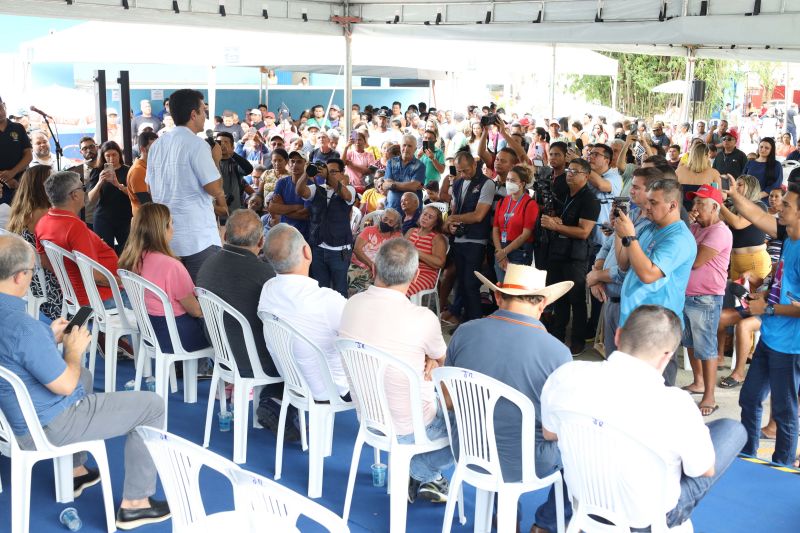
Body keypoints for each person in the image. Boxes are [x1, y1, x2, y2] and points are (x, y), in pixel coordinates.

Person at [0, 234, 171, 530]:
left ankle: (76, 469)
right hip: (44, 425)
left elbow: (17, 351)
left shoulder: (20, 325)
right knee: (152, 405)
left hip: (11, 418)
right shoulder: (23, 328)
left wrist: (47, 337)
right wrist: (73, 350)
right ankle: (136, 504)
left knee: (87, 376)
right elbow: (66, 385)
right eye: (31, 273)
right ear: (19, 277)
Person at [541, 305, 747, 531]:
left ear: (618, 335)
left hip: (585, 499)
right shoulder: (675, 404)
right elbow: (703, 470)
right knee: (731, 430)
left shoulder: (567, 375)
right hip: (647, 518)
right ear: (668, 355)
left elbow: (550, 433)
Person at [447, 264, 574, 533]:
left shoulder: (464, 332)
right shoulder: (558, 353)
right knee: (581, 449)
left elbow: (449, 401)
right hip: (528, 462)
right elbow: (556, 429)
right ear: (543, 304)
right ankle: (547, 524)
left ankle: (503, 518)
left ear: (498, 297)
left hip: (469, 449)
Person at [338, 238, 451, 503]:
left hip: (369, 415)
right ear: (414, 276)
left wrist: (430, 359)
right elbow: (444, 362)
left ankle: (426, 476)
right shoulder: (423, 318)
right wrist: (433, 360)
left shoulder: (351, 304)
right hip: (413, 425)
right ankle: (421, 471)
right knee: (470, 423)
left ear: (374, 268)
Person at [195, 209, 296, 440]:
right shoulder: (265, 274)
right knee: (295, 351)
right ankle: (278, 403)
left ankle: (273, 400)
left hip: (220, 352)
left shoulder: (207, 265)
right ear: (261, 242)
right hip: (251, 359)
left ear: (224, 236)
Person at [726, 182, 800, 466]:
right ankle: (748, 454)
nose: (778, 208)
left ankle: (781, 466)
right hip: (771, 337)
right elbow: (757, 217)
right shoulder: (789, 235)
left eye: (787, 206)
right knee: (749, 398)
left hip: (790, 347)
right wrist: (734, 196)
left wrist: (767, 307)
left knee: (784, 412)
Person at [615, 178, 697, 386]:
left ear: (672, 205)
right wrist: (621, 234)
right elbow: (624, 264)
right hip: (633, 320)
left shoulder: (679, 239)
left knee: (654, 392)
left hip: (657, 328)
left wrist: (631, 239)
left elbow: (648, 275)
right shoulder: (649, 227)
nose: (647, 207)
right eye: (647, 201)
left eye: (653, 203)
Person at [258, 223, 350, 401]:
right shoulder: (328, 300)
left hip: (290, 379)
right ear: (307, 251)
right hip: (331, 388)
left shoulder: (268, 289)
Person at [145, 89, 226, 282]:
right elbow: (215, 188)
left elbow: (149, 189)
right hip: (197, 239)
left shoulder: (157, 144)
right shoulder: (197, 145)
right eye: (203, 111)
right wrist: (216, 161)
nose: (205, 116)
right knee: (203, 299)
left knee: (175, 299)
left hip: (166, 237)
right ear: (193, 114)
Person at [587, 167, 663, 356]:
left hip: (631, 306)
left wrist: (596, 276)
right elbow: (608, 246)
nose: (631, 190)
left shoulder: (654, 228)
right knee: (613, 361)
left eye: (636, 187)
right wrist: (597, 273)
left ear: (652, 191)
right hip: (611, 301)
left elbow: (628, 270)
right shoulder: (631, 215)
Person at [118, 203, 210, 353]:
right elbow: (196, 311)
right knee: (222, 328)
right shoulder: (172, 266)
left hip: (149, 331)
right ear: (162, 229)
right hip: (177, 336)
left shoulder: (130, 260)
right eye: (171, 223)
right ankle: (203, 369)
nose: (173, 229)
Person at [681, 185, 732, 416]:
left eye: (701, 203)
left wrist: (687, 235)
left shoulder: (720, 231)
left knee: (706, 346)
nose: (696, 208)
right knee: (690, 342)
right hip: (688, 294)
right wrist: (688, 227)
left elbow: (694, 261)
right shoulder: (693, 227)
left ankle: (709, 395)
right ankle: (698, 381)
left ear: (715, 207)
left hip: (707, 297)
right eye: (695, 203)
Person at [540, 158, 599, 354]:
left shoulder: (590, 199)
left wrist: (556, 226)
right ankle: (557, 336)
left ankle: (578, 339)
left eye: (575, 171)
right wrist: (557, 220)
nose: (570, 174)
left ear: (587, 176)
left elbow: (584, 231)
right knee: (559, 296)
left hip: (576, 255)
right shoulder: (564, 192)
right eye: (569, 170)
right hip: (558, 250)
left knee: (576, 299)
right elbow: (563, 218)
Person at [35, 171, 120, 308]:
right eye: (83, 188)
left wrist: (68, 273)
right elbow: (94, 275)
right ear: (74, 195)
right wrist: (122, 283)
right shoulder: (74, 227)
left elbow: (45, 261)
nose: (85, 192)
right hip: (101, 298)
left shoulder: (43, 222)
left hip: (75, 297)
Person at [440, 150, 495, 322]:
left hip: (476, 241)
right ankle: (464, 319)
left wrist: (453, 218)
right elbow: (455, 209)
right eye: (459, 171)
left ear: (474, 165)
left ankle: (474, 322)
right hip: (458, 239)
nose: (463, 174)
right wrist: (450, 225)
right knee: (461, 283)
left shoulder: (487, 183)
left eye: (466, 170)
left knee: (471, 284)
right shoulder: (457, 183)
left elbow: (478, 215)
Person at [6, 165, 63, 321]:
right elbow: (51, 260)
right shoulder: (44, 213)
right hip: (50, 290)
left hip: (29, 282)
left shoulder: (22, 210)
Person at [719, 175, 771, 281]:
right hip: (735, 261)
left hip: (755, 261)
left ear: (751, 187)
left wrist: (719, 204)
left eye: (739, 184)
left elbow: (738, 223)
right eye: (734, 184)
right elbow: (718, 221)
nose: (735, 187)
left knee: (753, 296)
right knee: (734, 297)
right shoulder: (733, 206)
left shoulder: (759, 205)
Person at [491, 165, 538, 282]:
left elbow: (525, 235)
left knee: (514, 292)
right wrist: (499, 252)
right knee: (501, 290)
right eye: (507, 180)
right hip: (501, 249)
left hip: (519, 252)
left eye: (512, 180)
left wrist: (504, 252)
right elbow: (496, 228)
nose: (508, 183)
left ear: (522, 183)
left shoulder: (530, 204)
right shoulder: (502, 202)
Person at [87, 141, 132, 254]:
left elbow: (133, 195)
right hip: (103, 217)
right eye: (108, 155)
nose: (111, 158)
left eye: (114, 154)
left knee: (127, 251)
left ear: (119, 154)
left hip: (125, 217)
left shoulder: (128, 170)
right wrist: (100, 182)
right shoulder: (97, 171)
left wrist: (118, 185)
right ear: (103, 156)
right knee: (104, 251)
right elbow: (91, 199)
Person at [348, 207, 402, 294]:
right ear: (381, 218)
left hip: (381, 270)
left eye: (391, 222)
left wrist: (380, 268)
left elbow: (397, 256)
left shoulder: (397, 237)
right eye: (385, 219)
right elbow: (357, 250)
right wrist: (371, 265)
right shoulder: (369, 230)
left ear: (395, 225)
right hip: (360, 265)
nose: (387, 223)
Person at [405, 204, 447, 297]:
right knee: (384, 286)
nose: (425, 218)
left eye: (430, 217)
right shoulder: (411, 231)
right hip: (404, 271)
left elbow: (440, 263)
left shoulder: (437, 238)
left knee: (400, 290)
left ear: (435, 223)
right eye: (424, 214)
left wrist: (416, 252)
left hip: (425, 275)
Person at [269, 150, 310, 239]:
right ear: (289, 163)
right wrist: (296, 207)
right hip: (285, 232)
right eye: (292, 161)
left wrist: (282, 209)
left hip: (304, 235)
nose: (295, 164)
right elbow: (272, 208)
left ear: (306, 164)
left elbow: (305, 215)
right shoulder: (281, 182)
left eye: (299, 162)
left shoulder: (311, 185)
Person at [0, 95, 32, 210]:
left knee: (24, 219)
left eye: (0, 108)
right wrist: (7, 179)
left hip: (21, 183)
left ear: (4, 106)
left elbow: (28, 155)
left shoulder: (18, 128)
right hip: (1, 189)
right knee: (4, 224)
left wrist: (13, 173)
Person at [382, 134, 426, 214]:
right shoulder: (391, 162)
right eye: (404, 145)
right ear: (400, 146)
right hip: (392, 208)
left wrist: (393, 185)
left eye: (409, 146)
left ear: (415, 149)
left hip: (410, 213)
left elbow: (413, 186)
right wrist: (408, 185)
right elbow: (385, 185)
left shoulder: (420, 166)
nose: (406, 149)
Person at [215, 131, 255, 214]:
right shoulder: (211, 163)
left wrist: (232, 154)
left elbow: (248, 169)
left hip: (234, 210)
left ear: (232, 146)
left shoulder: (235, 163)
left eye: (226, 142)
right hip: (216, 211)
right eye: (219, 142)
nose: (222, 145)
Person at [677, 143, 722, 211]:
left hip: (682, 213)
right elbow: (719, 198)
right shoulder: (714, 173)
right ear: (707, 155)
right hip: (704, 215)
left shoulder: (679, 171)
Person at [127, 131, 157, 215]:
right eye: (154, 148)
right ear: (143, 149)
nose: (158, 151)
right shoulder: (138, 171)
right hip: (147, 221)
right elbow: (147, 204)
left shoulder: (149, 167)